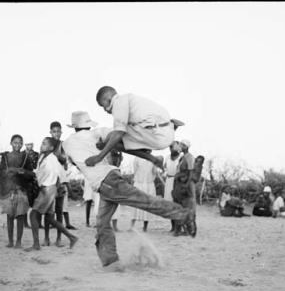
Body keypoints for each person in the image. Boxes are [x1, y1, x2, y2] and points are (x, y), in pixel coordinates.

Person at [62, 111, 196, 271]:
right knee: (103, 223)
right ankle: (111, 262)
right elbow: (122, 144)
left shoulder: (67, 143)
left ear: (74, 127)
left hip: (106, 182)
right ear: (88, 124)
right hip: (107, 181)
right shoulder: (97, 133)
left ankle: (184, 215)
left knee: (143, 201)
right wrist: (150, 157)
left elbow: (70, 159)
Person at [85, 86, 185, 171]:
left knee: (115, 139)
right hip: (166, 131)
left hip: (158, 137)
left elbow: (118, 133)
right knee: (117, 133)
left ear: (108, 99)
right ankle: (147, 148)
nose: (104, 110)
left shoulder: (118, 103)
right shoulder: (129, 99)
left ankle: (153, 158)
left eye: (103, 106)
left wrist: (99, 157)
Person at [24, 137, 79, 251]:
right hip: (46, 188)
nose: (41, 145)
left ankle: (36, 244)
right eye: (42, 143)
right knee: (50, 218)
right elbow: (39, 173)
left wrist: (68, 189)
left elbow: (62, 173)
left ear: (51, 148)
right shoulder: (43, 158)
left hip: (48, 189)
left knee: (33, 215)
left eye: (44, 144)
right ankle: (72, 237)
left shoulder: (52, 159)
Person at [0, 134, 37, 248]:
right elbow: (0, 174)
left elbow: (32, 174)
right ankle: (10, 241)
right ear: (11, 143)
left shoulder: (25, 157)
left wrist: (23, 172)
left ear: (22, 144)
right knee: (9, 216)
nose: (17, 145)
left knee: (20, 217)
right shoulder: (6, 157)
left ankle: (18, 242)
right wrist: (9, 171)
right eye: (15, 142)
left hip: (21, 191)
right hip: (9, 191)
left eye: (20, 143)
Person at [50, 121, 77, 232]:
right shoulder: (49, 144)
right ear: (50, 132)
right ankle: (52, 222)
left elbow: (66, 158)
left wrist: (66, 162)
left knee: (64, 199)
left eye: (58, 131)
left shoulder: (63, 144)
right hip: (51, 175)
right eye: (54, 131)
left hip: (62, 174)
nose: (56, 133)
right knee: (52, 200)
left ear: (61, 132)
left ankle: (68, 223)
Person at [130, 154, 158, 232]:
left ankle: (145, 227)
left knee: (147, 205)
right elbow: (135, 170)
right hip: (139, 183)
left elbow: (154, 172)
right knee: (135, 204)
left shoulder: (153, 159)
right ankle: (131, 226)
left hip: (149, 184)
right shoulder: (137, 158)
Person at [164, 141, 182, 232]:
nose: (172, 149)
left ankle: (178, 226)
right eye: (170, 147)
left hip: (177, 182)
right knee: (170, 205)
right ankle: (172, 226)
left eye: (174, 147)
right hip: (169, 181)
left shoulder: (181, 158)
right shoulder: (167, 157)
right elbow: (164, 167)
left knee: (177, 204)